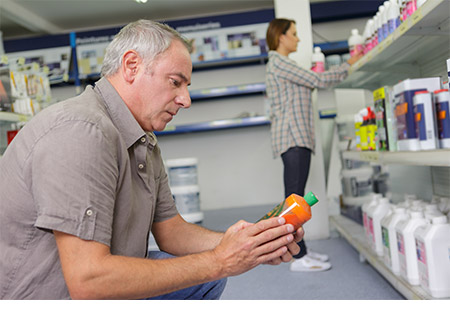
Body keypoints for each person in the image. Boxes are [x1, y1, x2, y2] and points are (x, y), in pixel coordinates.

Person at [0, 20, 304, 300]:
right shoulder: (82, 131)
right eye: (175, 82)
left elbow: (171, 231)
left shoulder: (141, 138)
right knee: (208, 272)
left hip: (89, 283)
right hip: (46, 297)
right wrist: (219, 260)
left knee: (205, 279)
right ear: (132, 66)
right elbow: (88, 280)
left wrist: (247, 242)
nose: (186, 100)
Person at [265, 18, 362, 272]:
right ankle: (297, 258)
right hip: (292, 138)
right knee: (295, 201)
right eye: (294, 34)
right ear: (281, 36)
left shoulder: (283, 64)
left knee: (297, 200)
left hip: (298, 138)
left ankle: (301, 251)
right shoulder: (279, 63)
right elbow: (317, 80)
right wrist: (348, 65)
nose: (298, 39)